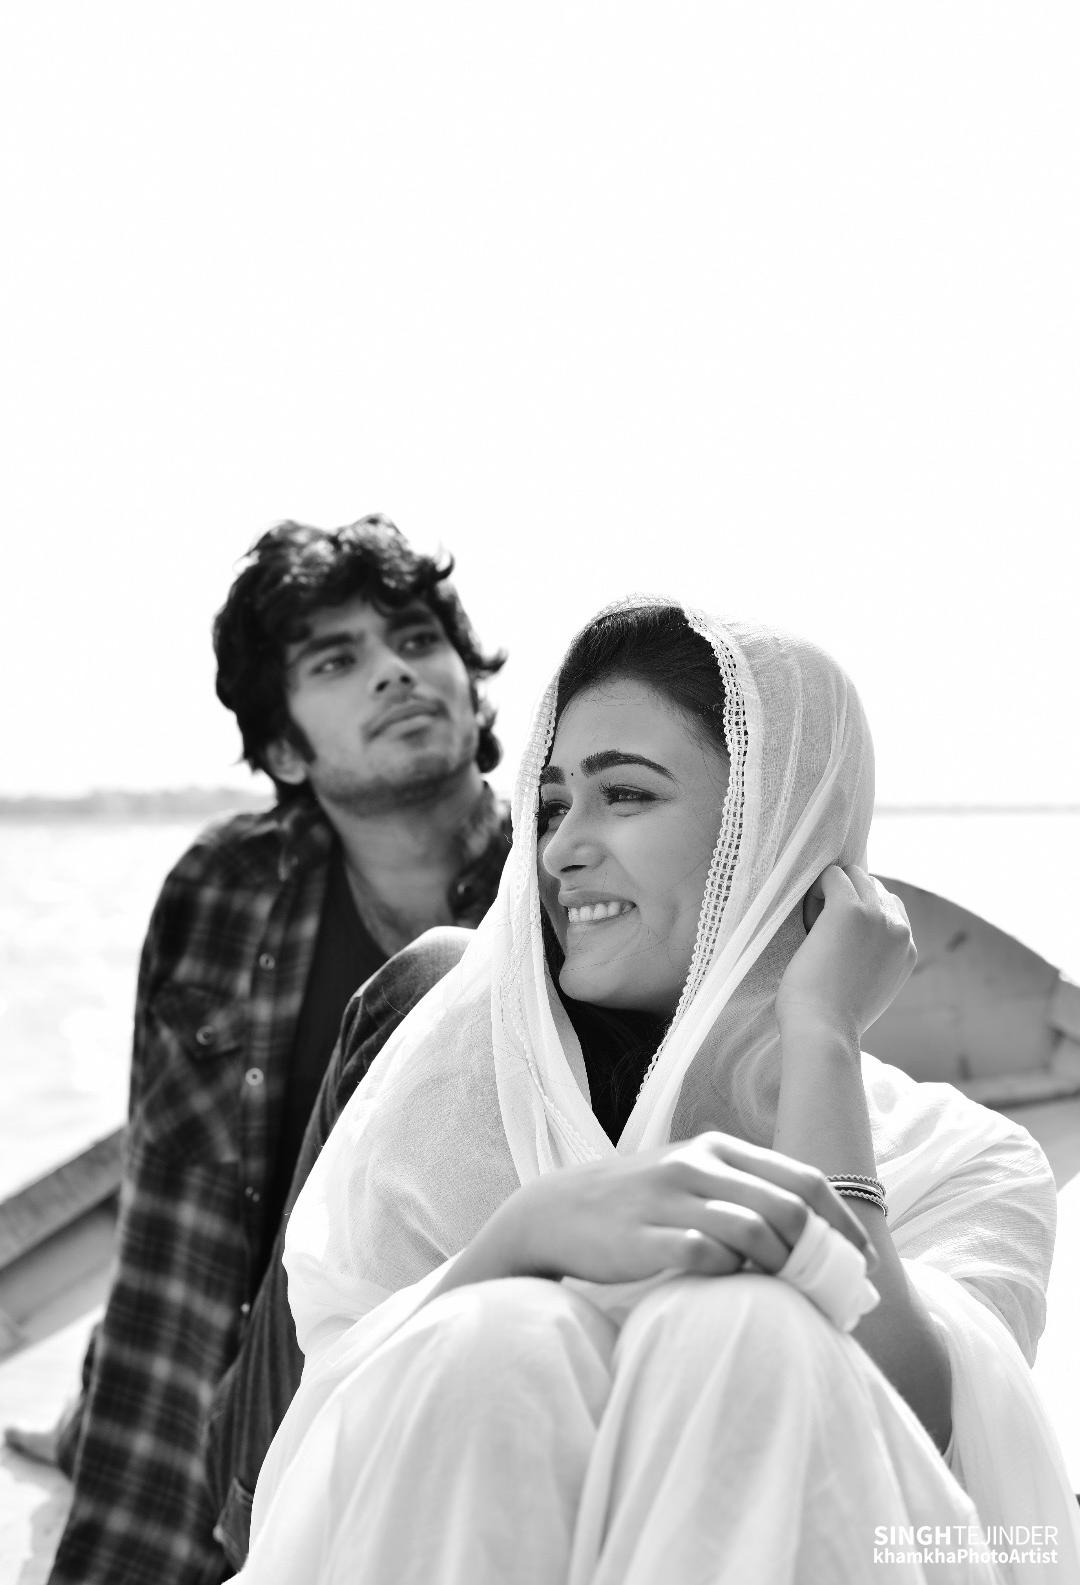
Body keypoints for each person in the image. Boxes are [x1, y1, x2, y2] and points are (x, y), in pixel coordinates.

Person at [231, 601, 1080, 1585]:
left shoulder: (969, 1162)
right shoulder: (461, 1099)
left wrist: (819, 1036)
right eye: (552, 806)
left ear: (772, 828)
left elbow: (912, 1434)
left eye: (625, 795)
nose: (559, 850)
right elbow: (326, 1473)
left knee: (747, 1326)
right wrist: (520, 1240)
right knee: (499, 1336)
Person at [28, 516, 512, 1585]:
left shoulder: (563, 890)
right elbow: (168, 1229)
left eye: (416, 640)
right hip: (233, 1401)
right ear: (286, 749)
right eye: (337, 661)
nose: (395, 671)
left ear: (471, 690)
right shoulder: (222, 891)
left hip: (444, 1391)